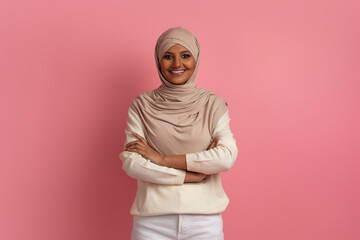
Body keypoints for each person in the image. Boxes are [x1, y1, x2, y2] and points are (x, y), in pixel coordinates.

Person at [119, 27, 238, 240]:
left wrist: (161, 159)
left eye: (185, 56)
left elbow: (226, 157)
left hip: (204, 223)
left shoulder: (212, 104)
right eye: (168, 56)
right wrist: (189, 176)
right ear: (158, 60)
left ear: (196, 59)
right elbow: (132, 162)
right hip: (152, 223)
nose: (176, 64)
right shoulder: (142, 105)